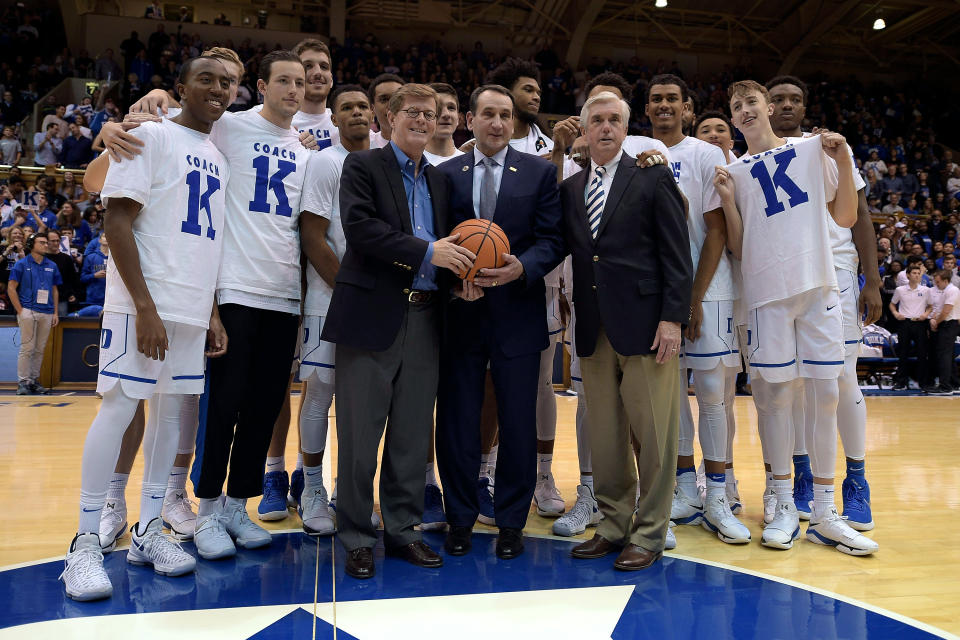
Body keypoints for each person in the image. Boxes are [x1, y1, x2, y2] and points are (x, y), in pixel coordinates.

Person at [58, 56, 232, 602]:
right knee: (118, 406)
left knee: (172, 414)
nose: (218, 88)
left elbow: (208, 243)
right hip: (143, 304)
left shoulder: (216, 156)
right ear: (179, 88)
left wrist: (210, 312)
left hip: (189, 305)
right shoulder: (149, 135)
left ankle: (150, 530)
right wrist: (146, 307)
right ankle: (85, 543)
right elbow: (116, 220)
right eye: (206, 78)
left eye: (227, 82)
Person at [713, 80, 877, 556]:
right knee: (775, 400)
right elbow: (740, 248)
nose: (744, 111)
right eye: (735, 106)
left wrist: (843, 158)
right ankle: (783, 504)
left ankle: (825, 513)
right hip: (766, 297)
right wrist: (726, 200)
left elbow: (846, 216)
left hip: (818, 287)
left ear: (768, 108)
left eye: (750, 103)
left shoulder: (812, 150)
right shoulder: (736, 171)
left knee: (827, 394)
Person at [321, 83, 471, 579]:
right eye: (413, 112)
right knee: (361, 437)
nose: (423, 120)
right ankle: (358, 536)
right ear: (389, 118)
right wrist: (428, 252)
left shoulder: (444, 180)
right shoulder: (363, 166)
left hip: (428, 316)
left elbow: (459, 244)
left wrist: (463, 281)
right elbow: (360, 229)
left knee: (410, 436)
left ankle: (403, 531)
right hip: (372, 316)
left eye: (431, 114)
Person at [562, 90, 691, 570]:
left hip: (647, 327)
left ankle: (651, 532)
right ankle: (614, 526)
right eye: (597, 120)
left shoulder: (653, 176)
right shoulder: (571, 188)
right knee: (607, 436)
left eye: (615, 119)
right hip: (594, 327)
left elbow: (677, 254)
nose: (606, 127)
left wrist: (674, 318)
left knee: (655, 437)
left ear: (626, 127)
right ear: (584, 128)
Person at [435, 84, 564, 561]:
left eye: (505, 115)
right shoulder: (445, 174)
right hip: (461, 313)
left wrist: (522, 267)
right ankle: (461, 518)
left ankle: (511, 521)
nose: (496, 123)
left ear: (514, 123)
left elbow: (553, 239)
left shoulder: (538, 172)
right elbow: (434, 239)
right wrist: (452, 283)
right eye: (487, 114)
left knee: (517, 423)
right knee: (458, 422)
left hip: (518, 312)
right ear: (469, 120)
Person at [188, 51, 309, 560]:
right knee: (224, 405)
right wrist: (146, 104)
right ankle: (207, 511)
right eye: (283, 80)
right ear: (260, 85)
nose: (294, 90)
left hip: (285, 294)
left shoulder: (305, 152)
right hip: (236, 288)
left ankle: (238, 504)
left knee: (264, 407)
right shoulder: (230, 128)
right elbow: (182, 124)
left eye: (300, 82)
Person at [766, 74, 881, 531]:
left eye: (796, 98)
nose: (787, 105)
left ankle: (856, 481)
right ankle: (801, 478)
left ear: (805, 105)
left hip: (834, 271)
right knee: (791, 384)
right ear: (766, 106)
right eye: (779, 99)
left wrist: (871, 280)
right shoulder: (756, 156)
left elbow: (863, 217)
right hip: (783, 277)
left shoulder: (832, 148)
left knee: (842, 378)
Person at [645, 75, 749, 545]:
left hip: (706, 289)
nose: (664, 106)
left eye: (672, 99)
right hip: (656, 291)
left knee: (711, 393)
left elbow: (716, 232)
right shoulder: (635, 151)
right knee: (669, 395)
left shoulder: (705, 153)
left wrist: (692, 299)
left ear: (687, 108)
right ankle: (685, 487)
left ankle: (720, 495)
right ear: (645, 108)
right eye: (656, 99)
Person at [295, 84, 373, 536]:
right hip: (332, 299)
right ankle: (310, 489)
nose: (357, 113)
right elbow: (313, 236)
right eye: (347, 107)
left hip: (371, 301)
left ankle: (350, 488)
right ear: (335, 118)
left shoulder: (383, 163)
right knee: (320, 394)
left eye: (363, 106)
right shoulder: (326, 162)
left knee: (361, 402)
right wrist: (349, 289)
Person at [8, 232, 60, 395]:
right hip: (28, 310)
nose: (46, 245)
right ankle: (23, 382)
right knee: (27, 348)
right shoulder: (21, 264)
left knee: (40, 349)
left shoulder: (52, 265)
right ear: (32, 245)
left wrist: (56, 312)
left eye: (46, 242)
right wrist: (21, 311)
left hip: (47, 311)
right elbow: (11, 288)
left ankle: (34, 381)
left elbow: (54, 289)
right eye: (42, 242)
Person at [488, 59, 553, 155]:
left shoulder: (551, 149)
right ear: (506, 94)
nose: (537, 98)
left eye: (538, 93)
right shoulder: (476, 146)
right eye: (528, 90)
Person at [890, 264, 933, 390]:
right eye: (914, 273)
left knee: (922, 353)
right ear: (908, 275)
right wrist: (896, 313)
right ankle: (901, 382)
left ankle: (923, 383)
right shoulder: (900, 290)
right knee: (903, 353)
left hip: (920, 323)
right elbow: (892, 304)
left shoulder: (926, 290)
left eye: (918, 273)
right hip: (905, 323)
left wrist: (925, 314)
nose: (917, 275)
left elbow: (930, 306)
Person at [927, 269, 960, 394]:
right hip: (946, 324)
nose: (936, 284)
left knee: (944, 356)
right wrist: (934, 319)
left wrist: (936, 322)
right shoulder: (945, 290)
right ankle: (954, 383)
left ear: (946, 280)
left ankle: (945, 386)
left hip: (948, 324)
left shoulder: (952, 290)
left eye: (938, 282)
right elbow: (939, 309)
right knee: (949, 355)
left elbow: (946, 311)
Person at [45, 229, 81, 315]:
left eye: (58, 241)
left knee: (61, 324)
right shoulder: (41, 257)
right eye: (53, 241)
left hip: (62, 298)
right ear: (46, 242)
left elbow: (72, 279)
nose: (56, 243)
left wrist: (72, 293)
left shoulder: (66, 258)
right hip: (43, 298)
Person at [367, 73, 404, 148]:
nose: (392, 104)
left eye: (398, 98)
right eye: (384, 99)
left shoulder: (426, 146)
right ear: (372, 109)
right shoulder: (364, 147)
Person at [80, 232, 108, 306]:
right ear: (99, 240)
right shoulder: (90, 257)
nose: (107, 238)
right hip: (94, 299)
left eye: (109, 236)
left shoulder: (116, 259)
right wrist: (94, 275)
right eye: (105, 236)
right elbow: (83, 278)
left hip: (112, 299)